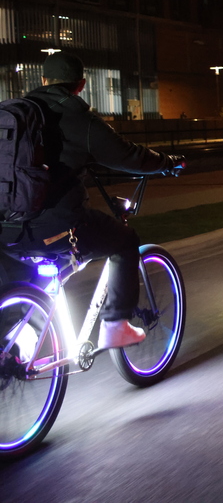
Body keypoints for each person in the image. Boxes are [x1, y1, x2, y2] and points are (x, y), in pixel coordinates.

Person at [5, 51, 184, 349]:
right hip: (55, 227)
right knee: (124, 240)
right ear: (81, 85)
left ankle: (16, 334)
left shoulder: (16, 114)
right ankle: (116, 325)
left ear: (43, 80)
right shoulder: (79, 119)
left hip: (6, 226)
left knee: (21, 273)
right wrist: (168, 163)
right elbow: (128, 156)